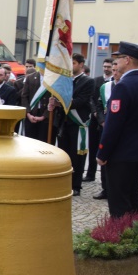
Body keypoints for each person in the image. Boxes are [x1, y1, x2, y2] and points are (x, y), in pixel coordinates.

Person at [97, 42, 138, 217]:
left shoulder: (123, 86)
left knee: (119, 200)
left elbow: (113, 126)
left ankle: (123, 238)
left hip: (122, 153)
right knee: (133, 195)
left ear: (128, 60)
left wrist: (102, 153)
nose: (116, 62)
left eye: (119, 58)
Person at [48, 53, 93, 196]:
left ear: (81, 64)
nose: (70, 66)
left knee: (77, 156)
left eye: (73, 63)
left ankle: (76, 185)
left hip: (77, 123)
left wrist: (59, 103)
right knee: (64, 155)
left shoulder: (87, 82)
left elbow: (81, 101)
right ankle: (64, 183)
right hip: (64, 123)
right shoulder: (65, 80)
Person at [84, 58, 114, 183]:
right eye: (105, 66)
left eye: (109, 66)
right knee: (92, 147)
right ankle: (90, 173)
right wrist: (95, 111)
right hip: (95, 119)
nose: (106, 68)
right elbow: (91, 98)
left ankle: (105, 179)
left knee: (104, 148)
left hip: (107, 120)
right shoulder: (96, 81)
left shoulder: (115, 82)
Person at [20, 59, 49, 141]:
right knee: (30, 141)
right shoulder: (30, 77)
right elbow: (24, 96)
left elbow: (53, 99)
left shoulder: (52, 80)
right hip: (31, 113)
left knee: (44, 141)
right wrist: (28, 114)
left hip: (45, 116)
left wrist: (44, 116)